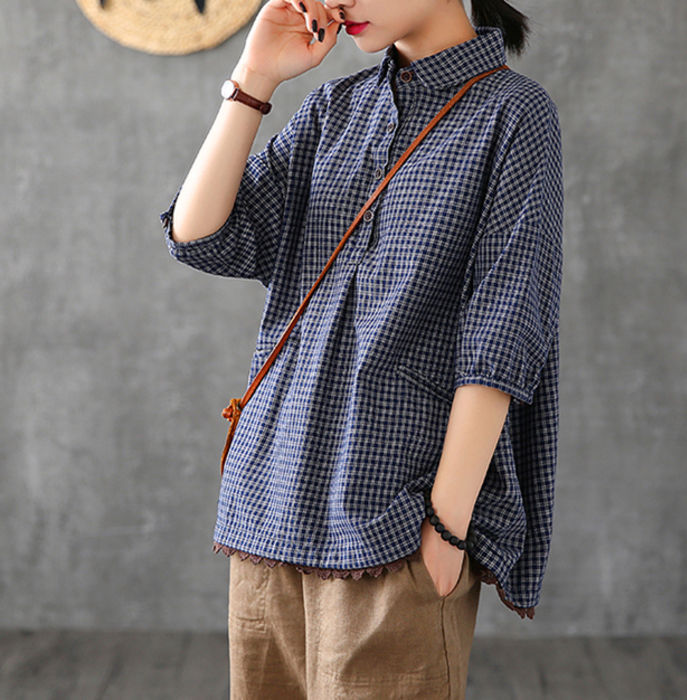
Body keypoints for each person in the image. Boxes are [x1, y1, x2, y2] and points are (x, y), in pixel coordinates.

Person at [160, 0, 563, 696]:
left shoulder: (513, 114)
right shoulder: (333, 110)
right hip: (268, 506)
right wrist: (254, 78)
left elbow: (502, 334)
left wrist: (445, 528)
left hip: (395, 520)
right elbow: (202, 236)